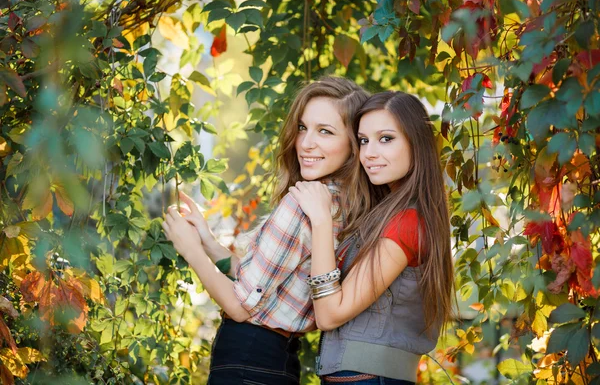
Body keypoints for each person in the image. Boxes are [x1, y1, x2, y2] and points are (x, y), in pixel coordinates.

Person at [161, 76, 369, 385]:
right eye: (302, 128)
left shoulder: (302, 205)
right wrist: (207, 241)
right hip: (278, 359)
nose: (306, 142)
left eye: (325, 131)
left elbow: (240, 306)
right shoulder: (342, 205)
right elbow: (258, 285)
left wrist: (190, 249)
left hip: (249, 356)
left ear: (353, 145)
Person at [289, 91, 454, 384]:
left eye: (386, 138)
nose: (369, 153)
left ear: (416, 143)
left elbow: (330, 314)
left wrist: (322, 220)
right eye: (363, 141)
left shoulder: (406, 222)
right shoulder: (391, 213)